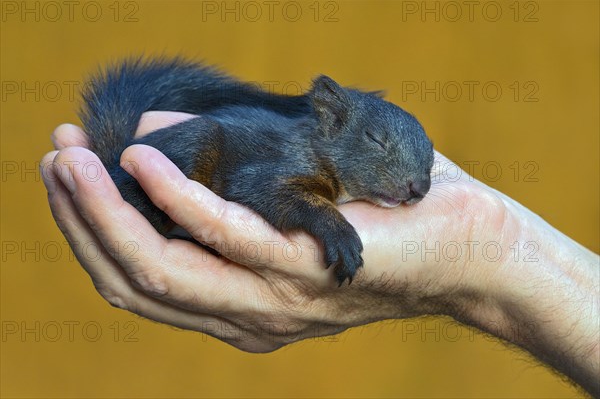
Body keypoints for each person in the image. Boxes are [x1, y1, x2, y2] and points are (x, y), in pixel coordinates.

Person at [40, 111, 599, 396]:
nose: (415, 188)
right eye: (383, 151)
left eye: (424, 170)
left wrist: (485, 247)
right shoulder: (304, 157)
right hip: (184, 168)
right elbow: (270, 189)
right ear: (334, 128)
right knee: (198, 144)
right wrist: (324, 220)